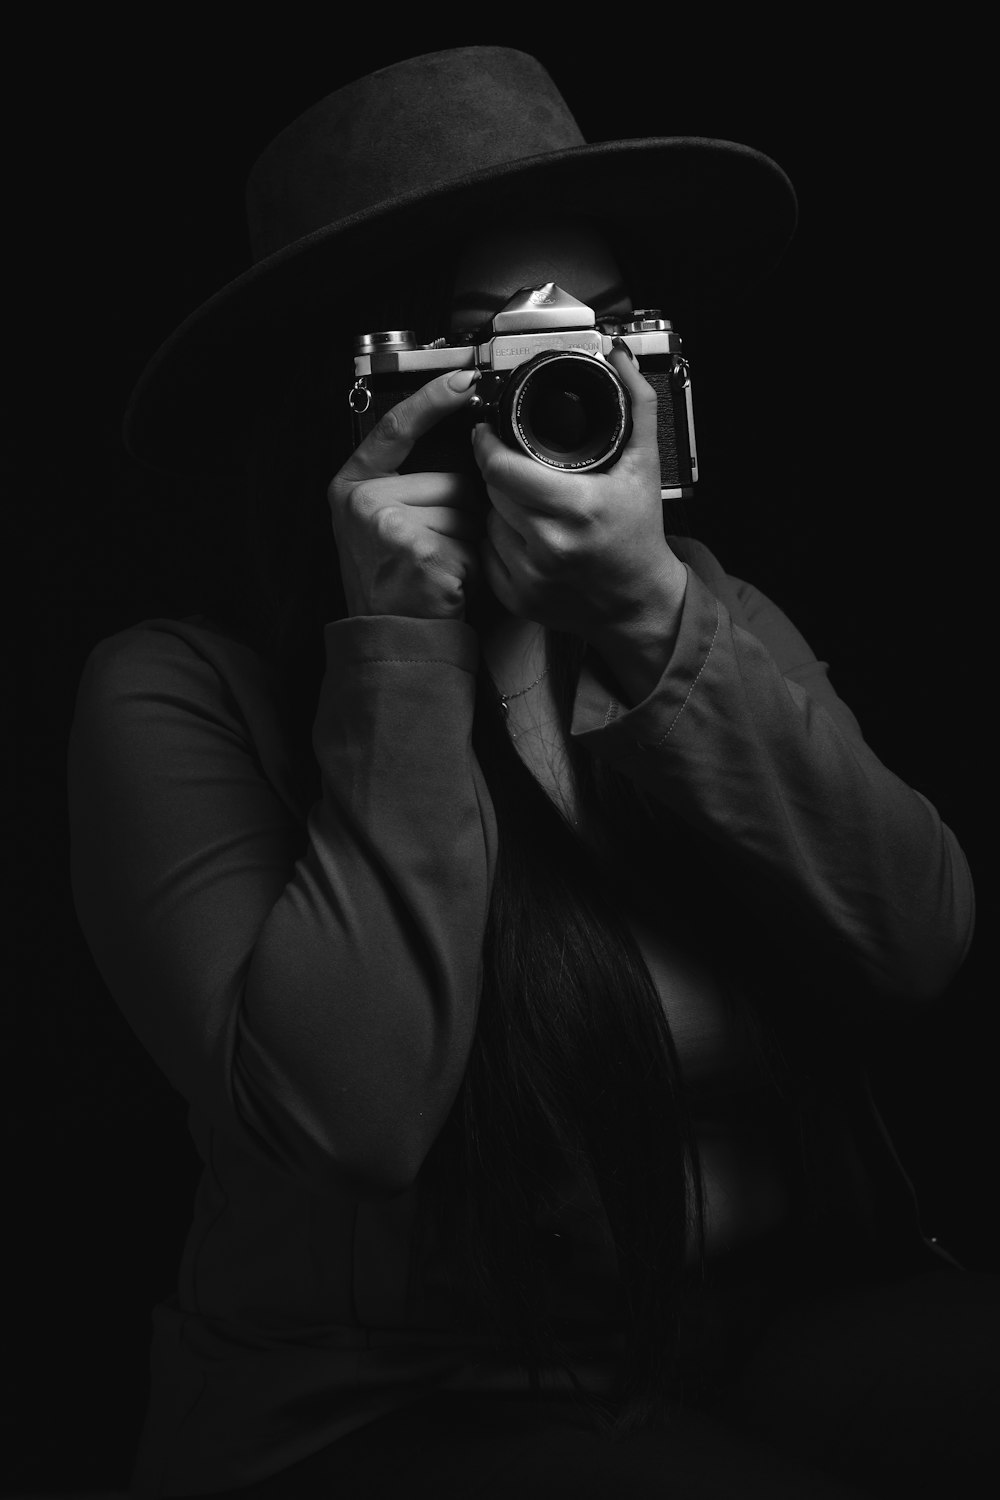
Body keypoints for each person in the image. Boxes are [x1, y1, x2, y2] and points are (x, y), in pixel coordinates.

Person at [68, 46, 992, 1500]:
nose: (574, 382)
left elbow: (918, 941)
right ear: (363, 388)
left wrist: (648, 619)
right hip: (389, 1407)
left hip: (758, 1333)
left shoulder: (699, 612)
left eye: (610, 330)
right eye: (495, 346)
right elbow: (349, 1120)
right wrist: (398, 643)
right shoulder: (182, 692)